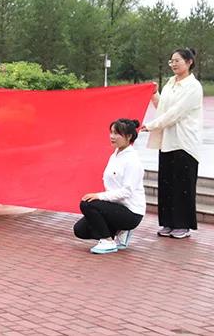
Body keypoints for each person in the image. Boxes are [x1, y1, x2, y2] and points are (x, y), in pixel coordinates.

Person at [141, 48, 203, 239]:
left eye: (177, 61)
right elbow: (163, 108)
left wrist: (150, 126)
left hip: (184, 143)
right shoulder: (170, 83)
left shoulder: (193, 87)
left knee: (182, 185)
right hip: (167, 141)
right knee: (167, 184)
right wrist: (154, 94)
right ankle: (168, 222)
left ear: (189, 62)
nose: (173, 64)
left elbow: (175, 114)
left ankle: (182, 225)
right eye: (171, 61)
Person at [74, 119, 146, 254]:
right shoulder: (115, 155)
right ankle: (119, 232)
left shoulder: (132, 161)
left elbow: (127, 192)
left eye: (117, 134)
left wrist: (99, 196)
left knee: (87, 204)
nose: (112, 137)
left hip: (131, 212)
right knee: (80, 230)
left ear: (129, 136)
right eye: (111, 132)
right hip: (116, 207)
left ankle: (108, 241)